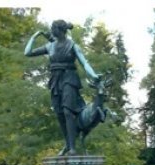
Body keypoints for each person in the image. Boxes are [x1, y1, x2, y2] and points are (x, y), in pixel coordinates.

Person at [24, 20, 100, 156]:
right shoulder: (50, 46)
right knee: (59, 114)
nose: (51, 31)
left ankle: (72, 148)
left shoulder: (73, 46)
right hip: (55, 81)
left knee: (67, 112)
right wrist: (34, 36)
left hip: (69, 78)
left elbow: (84, 62)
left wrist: (93, 75)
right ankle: (68, 144)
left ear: (60, 30)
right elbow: (27, 52)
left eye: (53, 28)